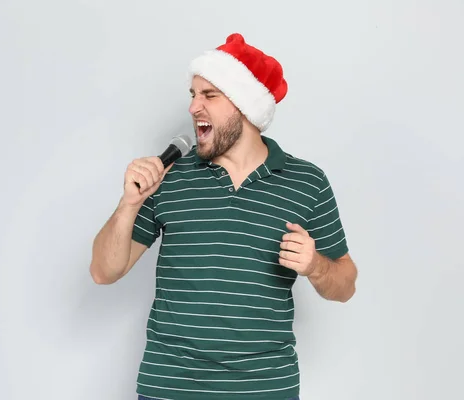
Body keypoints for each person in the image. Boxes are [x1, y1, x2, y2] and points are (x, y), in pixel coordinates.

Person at [89, 33, 358, 400]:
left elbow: (345, 285)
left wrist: (316, 266)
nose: (193, 107)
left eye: (209, 96)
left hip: (264, 389)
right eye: (192, 95)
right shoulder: (170, 178)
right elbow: (104, 272)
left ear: (245, 106)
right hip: (170, 387)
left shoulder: (306, 182)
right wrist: (129, 204)